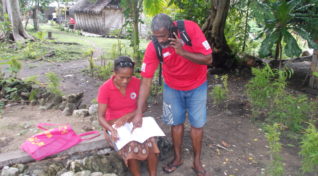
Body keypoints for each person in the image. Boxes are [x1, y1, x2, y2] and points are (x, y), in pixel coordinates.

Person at [132, 13, 213, 176]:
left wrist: (182, 52)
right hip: (172, 87)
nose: (160, 40)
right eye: (156, 36)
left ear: (171, 29)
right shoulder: (154, 47)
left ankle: (197, 162)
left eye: (163, 36)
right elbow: (146, 81)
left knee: (197, 125)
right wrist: (139, 112)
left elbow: (208, 59)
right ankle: (177, 159)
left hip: (197, 85)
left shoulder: (189, 29)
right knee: (176, 123)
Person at [97, 56, 160, 176]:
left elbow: (144, 106)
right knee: (131, 145)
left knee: (150, 141)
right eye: (122, 77)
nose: (126, 81)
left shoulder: (136, 83)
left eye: (129, 77)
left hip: (133, 121)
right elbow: (100, 117)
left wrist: (129, 116)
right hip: (114, 125)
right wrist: (111, 130)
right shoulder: (105, 88)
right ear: (115, 73)